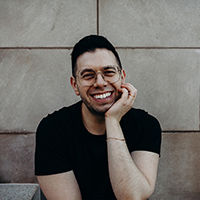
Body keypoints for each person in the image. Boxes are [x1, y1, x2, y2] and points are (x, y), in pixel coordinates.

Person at [35, 35, 162, 200]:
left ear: (122, 77)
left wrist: (112, 120)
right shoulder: (52, 130)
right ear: (75, 85)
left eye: (108, 72)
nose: (100, 82)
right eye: (88, 75)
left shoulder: (146, 125)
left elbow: (132, 196)